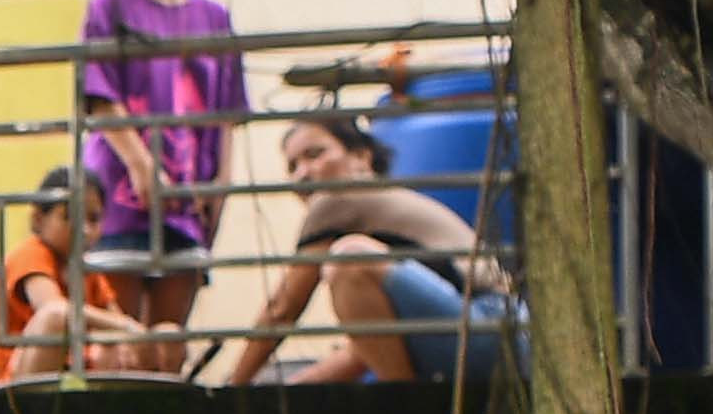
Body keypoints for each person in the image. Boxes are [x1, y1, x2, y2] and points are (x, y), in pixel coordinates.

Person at [198, 109, 527, 386]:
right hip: (510, 342)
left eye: (314, 154)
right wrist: (290, 391)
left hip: (487, 326)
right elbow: (366, 350)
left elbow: (283, 307)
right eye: (292, 166)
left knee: (348, 260)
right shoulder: (386, 231)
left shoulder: (337, 198)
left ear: (361, 157)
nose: (303, 174)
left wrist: (233, 390)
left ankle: (408, 412)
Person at [74, 0, 245, 331]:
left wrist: (222, 182)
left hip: (189, 192)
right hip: (120, 190)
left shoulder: (215, 18)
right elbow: (98, 95)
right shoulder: (110, 8)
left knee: (170, 336)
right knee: (123, 334)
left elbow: (226, 112)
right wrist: (140, 164)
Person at [0, 173, 182, 386]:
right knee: (57, 318)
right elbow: (54, 310)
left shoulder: (86, 270)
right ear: (38, 220)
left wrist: (139, 341)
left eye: (93, 219)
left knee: (168, 335)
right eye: (70, 217)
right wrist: (128, 328)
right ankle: (35, 411)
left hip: (74, 372)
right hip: (11, 382)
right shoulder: (30, 254)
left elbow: (115, 322)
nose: (84, 229)